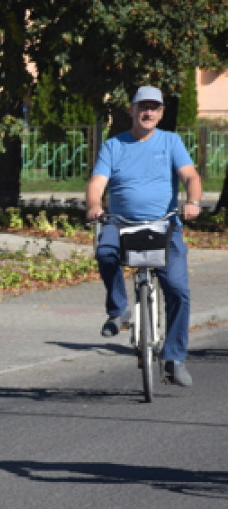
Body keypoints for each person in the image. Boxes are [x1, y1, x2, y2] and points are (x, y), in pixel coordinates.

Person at [85, 85, 201, 387]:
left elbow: (190, 176)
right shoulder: (114, 145)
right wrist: (95, 206)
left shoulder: (171, 141)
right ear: (132, 110)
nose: (147, 112)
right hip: (121, 223)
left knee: (177, 290)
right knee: (104, 252)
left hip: (164, 225)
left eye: (154, 108)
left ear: (161, 113)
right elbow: (97, 183)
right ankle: (119, 309)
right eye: (142, 107)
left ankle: (174, 358)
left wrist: (192, 202)